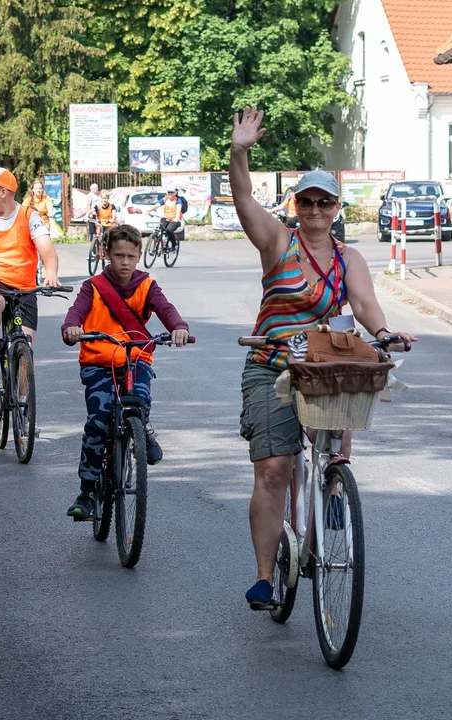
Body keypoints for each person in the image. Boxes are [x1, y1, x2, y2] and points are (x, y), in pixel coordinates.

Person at [229, 107, 418, 610]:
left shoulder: (348, 257)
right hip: (271, 366)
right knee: (273, 467)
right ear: (296, 204)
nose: (314, 209)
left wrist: (383, 332)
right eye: (307, 201)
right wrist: (239, 150)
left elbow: (365, 305)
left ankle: (334, 483)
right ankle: (266, 577)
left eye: (324, 202)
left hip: (321, 369)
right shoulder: (277, 240)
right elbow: (244, 198)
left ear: (337, 208)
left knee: (347, 399)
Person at [60, 224, 190, 520]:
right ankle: (87, 491)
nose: (125, 262)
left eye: (131, 256)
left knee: (140, 401)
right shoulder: (92, 286)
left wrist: (178, 327)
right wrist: (71, 327)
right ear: (106, 253)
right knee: (98, 420)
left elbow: (165, 309)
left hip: (136, 357)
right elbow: (76, 312)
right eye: (118, 255)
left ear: (139, 255)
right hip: (99, 362)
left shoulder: (147, 285)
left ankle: (141, 429)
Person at [0, 167, 60, 385]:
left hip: (24, 288)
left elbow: (47, 250)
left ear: (3, 192)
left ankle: (23, 409)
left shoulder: (28, 216)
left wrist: (51, 273)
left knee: (26, 356)